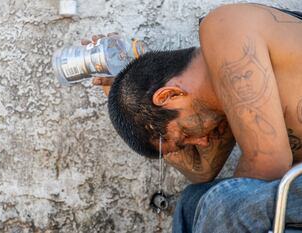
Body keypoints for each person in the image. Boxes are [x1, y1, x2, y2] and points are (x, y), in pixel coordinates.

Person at [85, 3, 302, 233]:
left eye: (185, 135)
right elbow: (202, 172)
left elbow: (269, 161)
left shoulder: (225, 30)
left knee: (223, 203)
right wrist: (120, 94)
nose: (202, 142)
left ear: (170, 94)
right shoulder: (222, 95)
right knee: (192, 201)